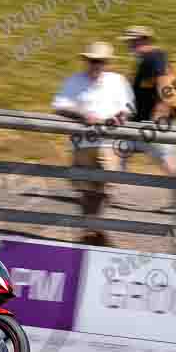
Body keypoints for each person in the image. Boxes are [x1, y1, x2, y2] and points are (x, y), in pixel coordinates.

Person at [52, 41, 134, 246]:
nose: (96, 65)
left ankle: (92, 230)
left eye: (100, 61)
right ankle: (92, 232)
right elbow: (58, 106)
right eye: (92, 61)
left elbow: (128, 108)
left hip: (109, 143)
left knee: (105, 188)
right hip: (81, 143)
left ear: (107, 63)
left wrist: (120, 117)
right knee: (86, 189)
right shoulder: (74, 81)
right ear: (86, 61)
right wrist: (82, 115)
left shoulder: (118, 81)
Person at [119, 25, 176, 212]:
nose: (129, 45)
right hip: (139, 124)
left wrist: (161, 111)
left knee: (167, 160)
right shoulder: (146, 59)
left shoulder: (155, 56)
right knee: (117, 151)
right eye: (129, 42)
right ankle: (110, 192)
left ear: (143, 40)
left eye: (132, 41)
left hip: (154, 123)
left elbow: (164, 83)